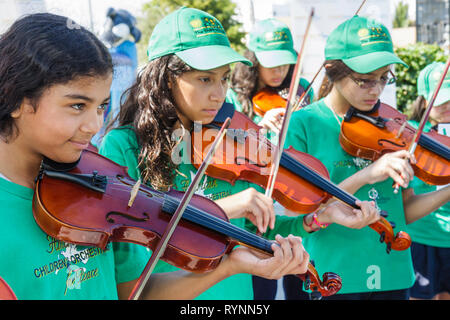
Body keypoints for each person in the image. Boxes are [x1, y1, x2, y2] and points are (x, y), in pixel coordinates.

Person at [0, 12, 311, 300]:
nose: (94, 125)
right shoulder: (119, 152)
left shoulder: (96, 182)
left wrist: (231, 265)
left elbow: (135, 292)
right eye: (78, 106)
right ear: (16, 99)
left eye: (100, 107)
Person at [99, 7, 380, 300]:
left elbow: (257, 231)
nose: (219, 94)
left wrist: (316, 219)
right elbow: (133, 261)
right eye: (205, 79)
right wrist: (228, 206)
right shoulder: (124, 147)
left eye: (223, 79)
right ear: (167, 78)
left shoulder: (230, 144)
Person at [284, 15, 450, 300]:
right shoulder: (303, 124)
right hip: (332, 276)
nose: (376, 90)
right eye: (364, 80)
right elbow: (298, 213)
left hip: (393, 273)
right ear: (332, 71)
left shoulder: (392, 124)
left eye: (384, 78)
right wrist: (369, 174)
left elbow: (404, 209)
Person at [406, 62, 450, 300]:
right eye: (439, 99)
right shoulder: (410, 132)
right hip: (423, 235)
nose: (446, 106)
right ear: (423, 100)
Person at [228, 18, 314, 135]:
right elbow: (228, 145)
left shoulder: (301, 87)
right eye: (272, 64)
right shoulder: (232, 97)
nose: (279, 71)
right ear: (254, 61)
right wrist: (260, 128)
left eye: (285, 62)